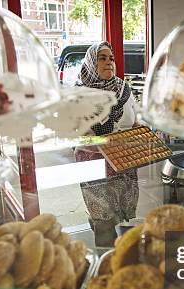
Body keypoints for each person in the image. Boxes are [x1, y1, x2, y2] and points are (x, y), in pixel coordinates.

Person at [74, 42, 139, 247]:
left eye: (111, 58)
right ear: (92, 62)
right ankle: (107, 265)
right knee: (102, 217)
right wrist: (104, 139)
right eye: (102, 58)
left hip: (122, 159)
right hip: (94, 163)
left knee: (116, 211)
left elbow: (133, 119)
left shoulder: (122, 89)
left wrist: (139, 129)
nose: (109, 62)